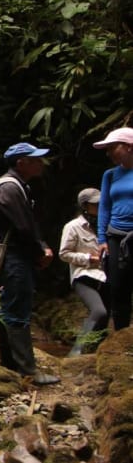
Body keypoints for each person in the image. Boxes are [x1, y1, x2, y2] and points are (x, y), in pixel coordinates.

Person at [0, 142, 59, 385]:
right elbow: (23, 227)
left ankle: (9, 366)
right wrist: (40, 251)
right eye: (35, 159)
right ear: (21, 163)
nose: (41, 163)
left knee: (9, 309)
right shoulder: (9, 188)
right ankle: (27, 370)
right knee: (17, 311)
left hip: (16, 257)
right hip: (15, 258)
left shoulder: (16, 186)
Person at [59, 188, 109, 356]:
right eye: (96, 204)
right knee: (99, 311)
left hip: (106, 277)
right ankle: (76, 351)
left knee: (106, 316)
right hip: (84, 276)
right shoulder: (73, 227)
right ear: (85, 205)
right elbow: (64, 254)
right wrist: (88, 258)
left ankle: (95, 353)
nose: (100, 206)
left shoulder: (107, 224)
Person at [94, 126, 133, 330]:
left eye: (112, 147)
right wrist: (101, 239)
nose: (108, 153)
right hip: (116, 237)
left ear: (129, 146)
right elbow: (104, 207)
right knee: (118, 289)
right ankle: (122, 338)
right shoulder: (110, 175)